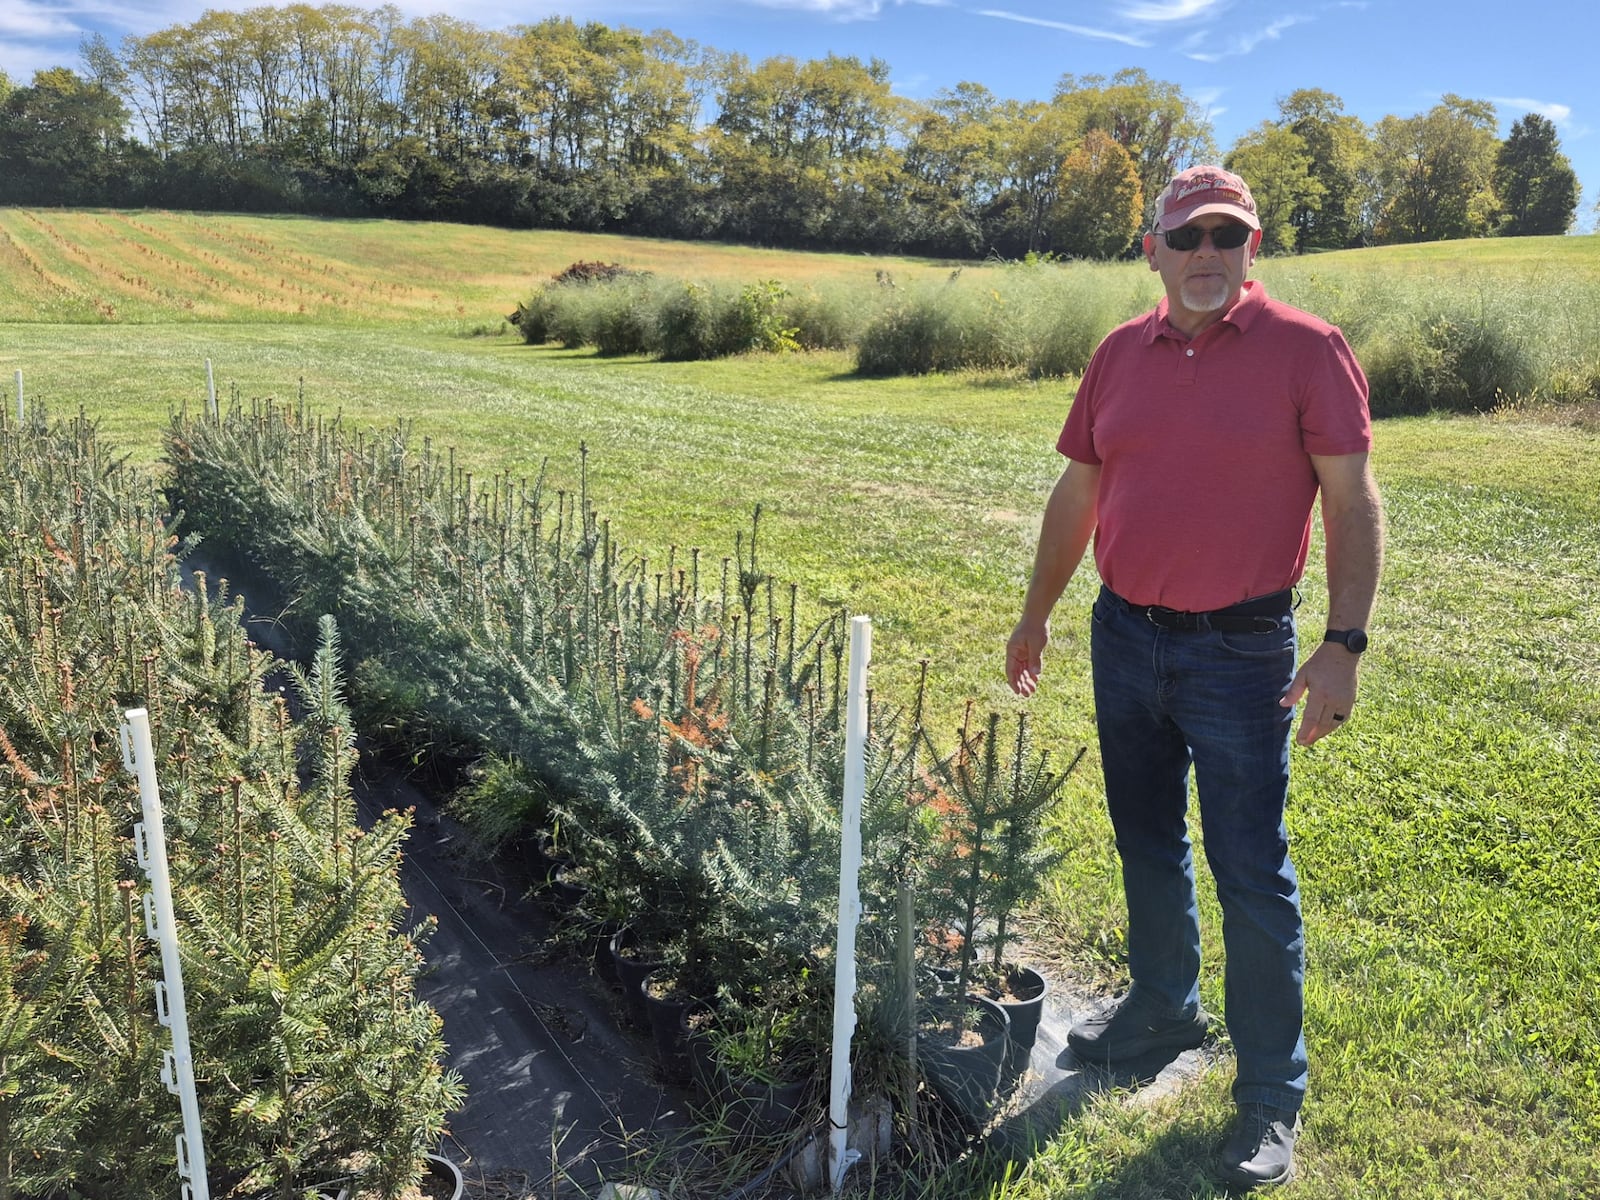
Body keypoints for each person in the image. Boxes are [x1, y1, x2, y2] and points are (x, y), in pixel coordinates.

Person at [1005, 164, 1384, 1192]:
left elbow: (1351, 502)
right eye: (1188, 237)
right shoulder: (1117, 354)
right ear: (1154, 251)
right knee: (1143, 837)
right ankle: (1163, 1007)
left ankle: (1268, 1089)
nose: (1207, 254)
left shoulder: (1308, 350)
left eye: (1228, 235)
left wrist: (1342, 646)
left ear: (1250, 247)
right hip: (1123, 636)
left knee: (1250, 868)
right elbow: (1079, 488)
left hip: (1242, 652)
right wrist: (1036, 613)